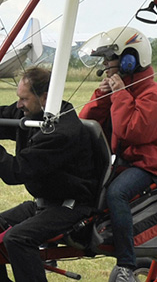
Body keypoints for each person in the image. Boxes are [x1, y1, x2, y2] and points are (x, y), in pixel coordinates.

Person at [0, 66, 99, 282]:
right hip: (44, 204)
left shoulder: (63, 132)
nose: (19, 104)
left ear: (45, 97)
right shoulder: (34, 113)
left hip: (71, 207)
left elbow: (15, 171)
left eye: (24, 99)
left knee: (17, 238)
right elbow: (5, 116)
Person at [79, 26, 157, 282]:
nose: (105, 67)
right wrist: (103, 96)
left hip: (150, 166)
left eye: (109, 62)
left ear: (129, 61)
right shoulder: (126, 92)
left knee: (117, 193)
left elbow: (131, 132)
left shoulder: (153, 95)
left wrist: (120, 93)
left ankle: (125, 264)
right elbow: (86, 124)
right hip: (126, 163)